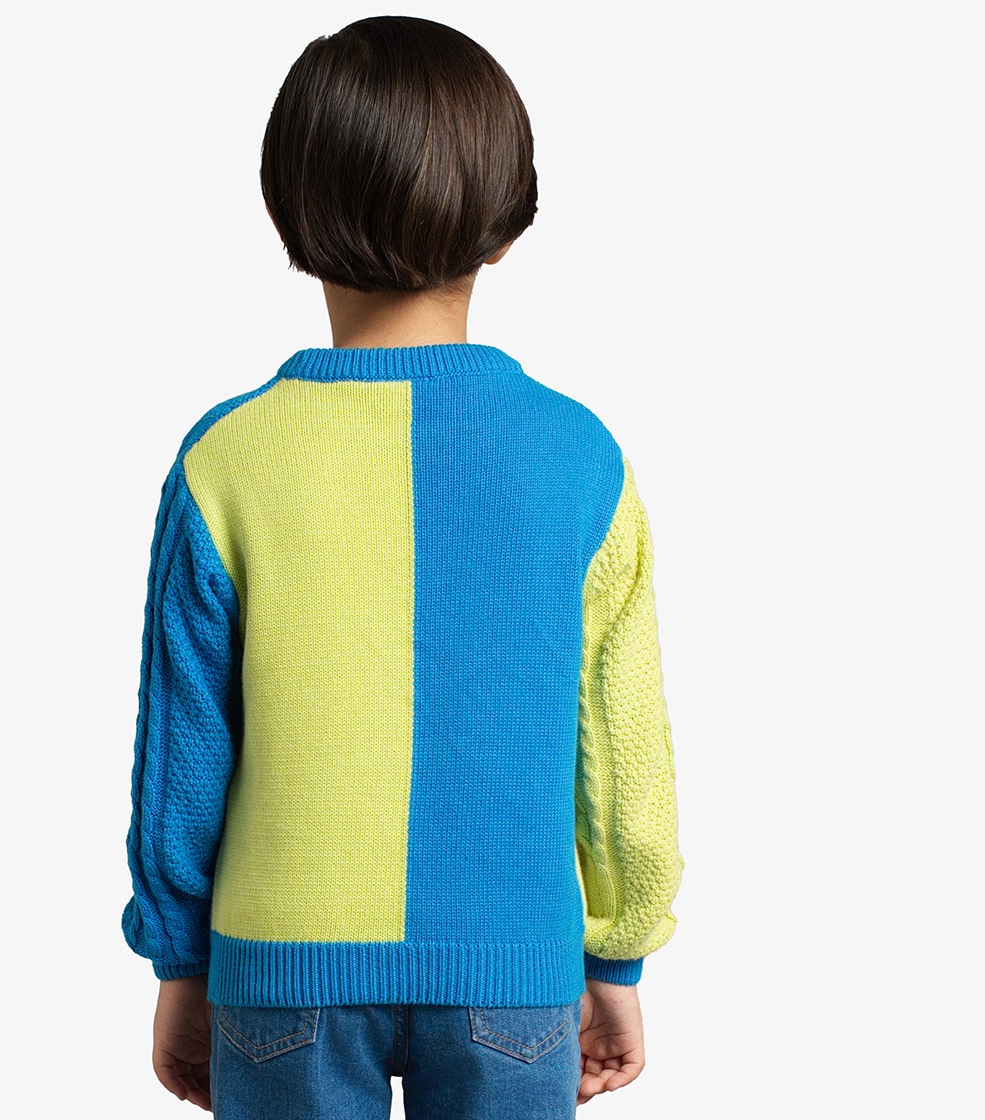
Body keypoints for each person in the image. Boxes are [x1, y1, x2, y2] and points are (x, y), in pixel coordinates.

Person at [121, 15, 685, 1119]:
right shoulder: (580, 457)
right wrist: (617, 954)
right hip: (513, 969)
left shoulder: (227, 459)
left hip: (278, 968)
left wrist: (180, 961)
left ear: (288, 210)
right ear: (509, 222)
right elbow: (624, 753)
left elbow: (180, 754)